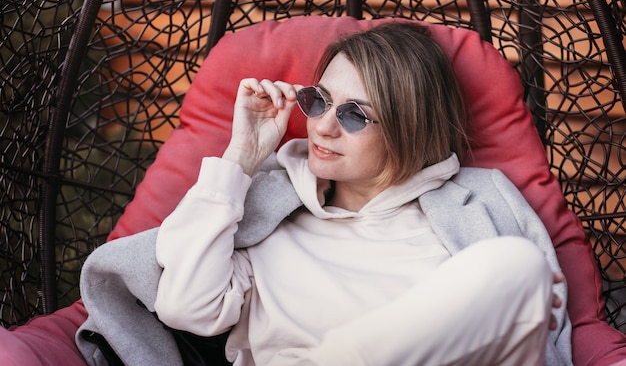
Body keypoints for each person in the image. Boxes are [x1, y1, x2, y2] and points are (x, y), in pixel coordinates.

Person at [152, 21, 572, 366]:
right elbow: (184, 307)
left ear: (411, 127)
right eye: (318, 101)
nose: (323, 127)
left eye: (354, 115)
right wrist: (241, 157)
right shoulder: (269, 218)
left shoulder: (474, 212)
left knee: (516, 266)